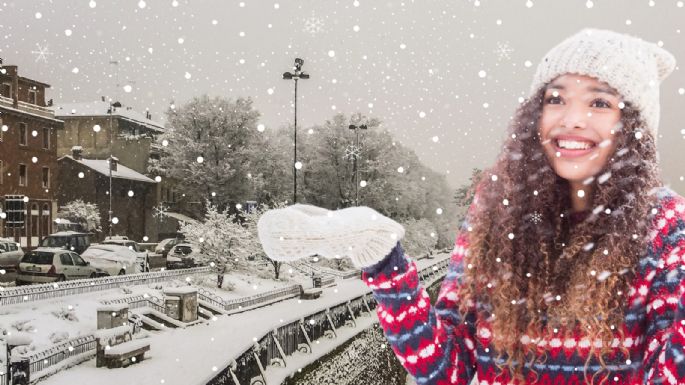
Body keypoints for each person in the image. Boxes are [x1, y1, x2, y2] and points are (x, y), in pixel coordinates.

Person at [257, 28, 685, 384]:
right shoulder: (495, 214)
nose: (571, 118)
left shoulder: (666, 227)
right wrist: (385, 261)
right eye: (556, 98)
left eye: (599, 102)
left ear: (633, 126)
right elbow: (447, 369)